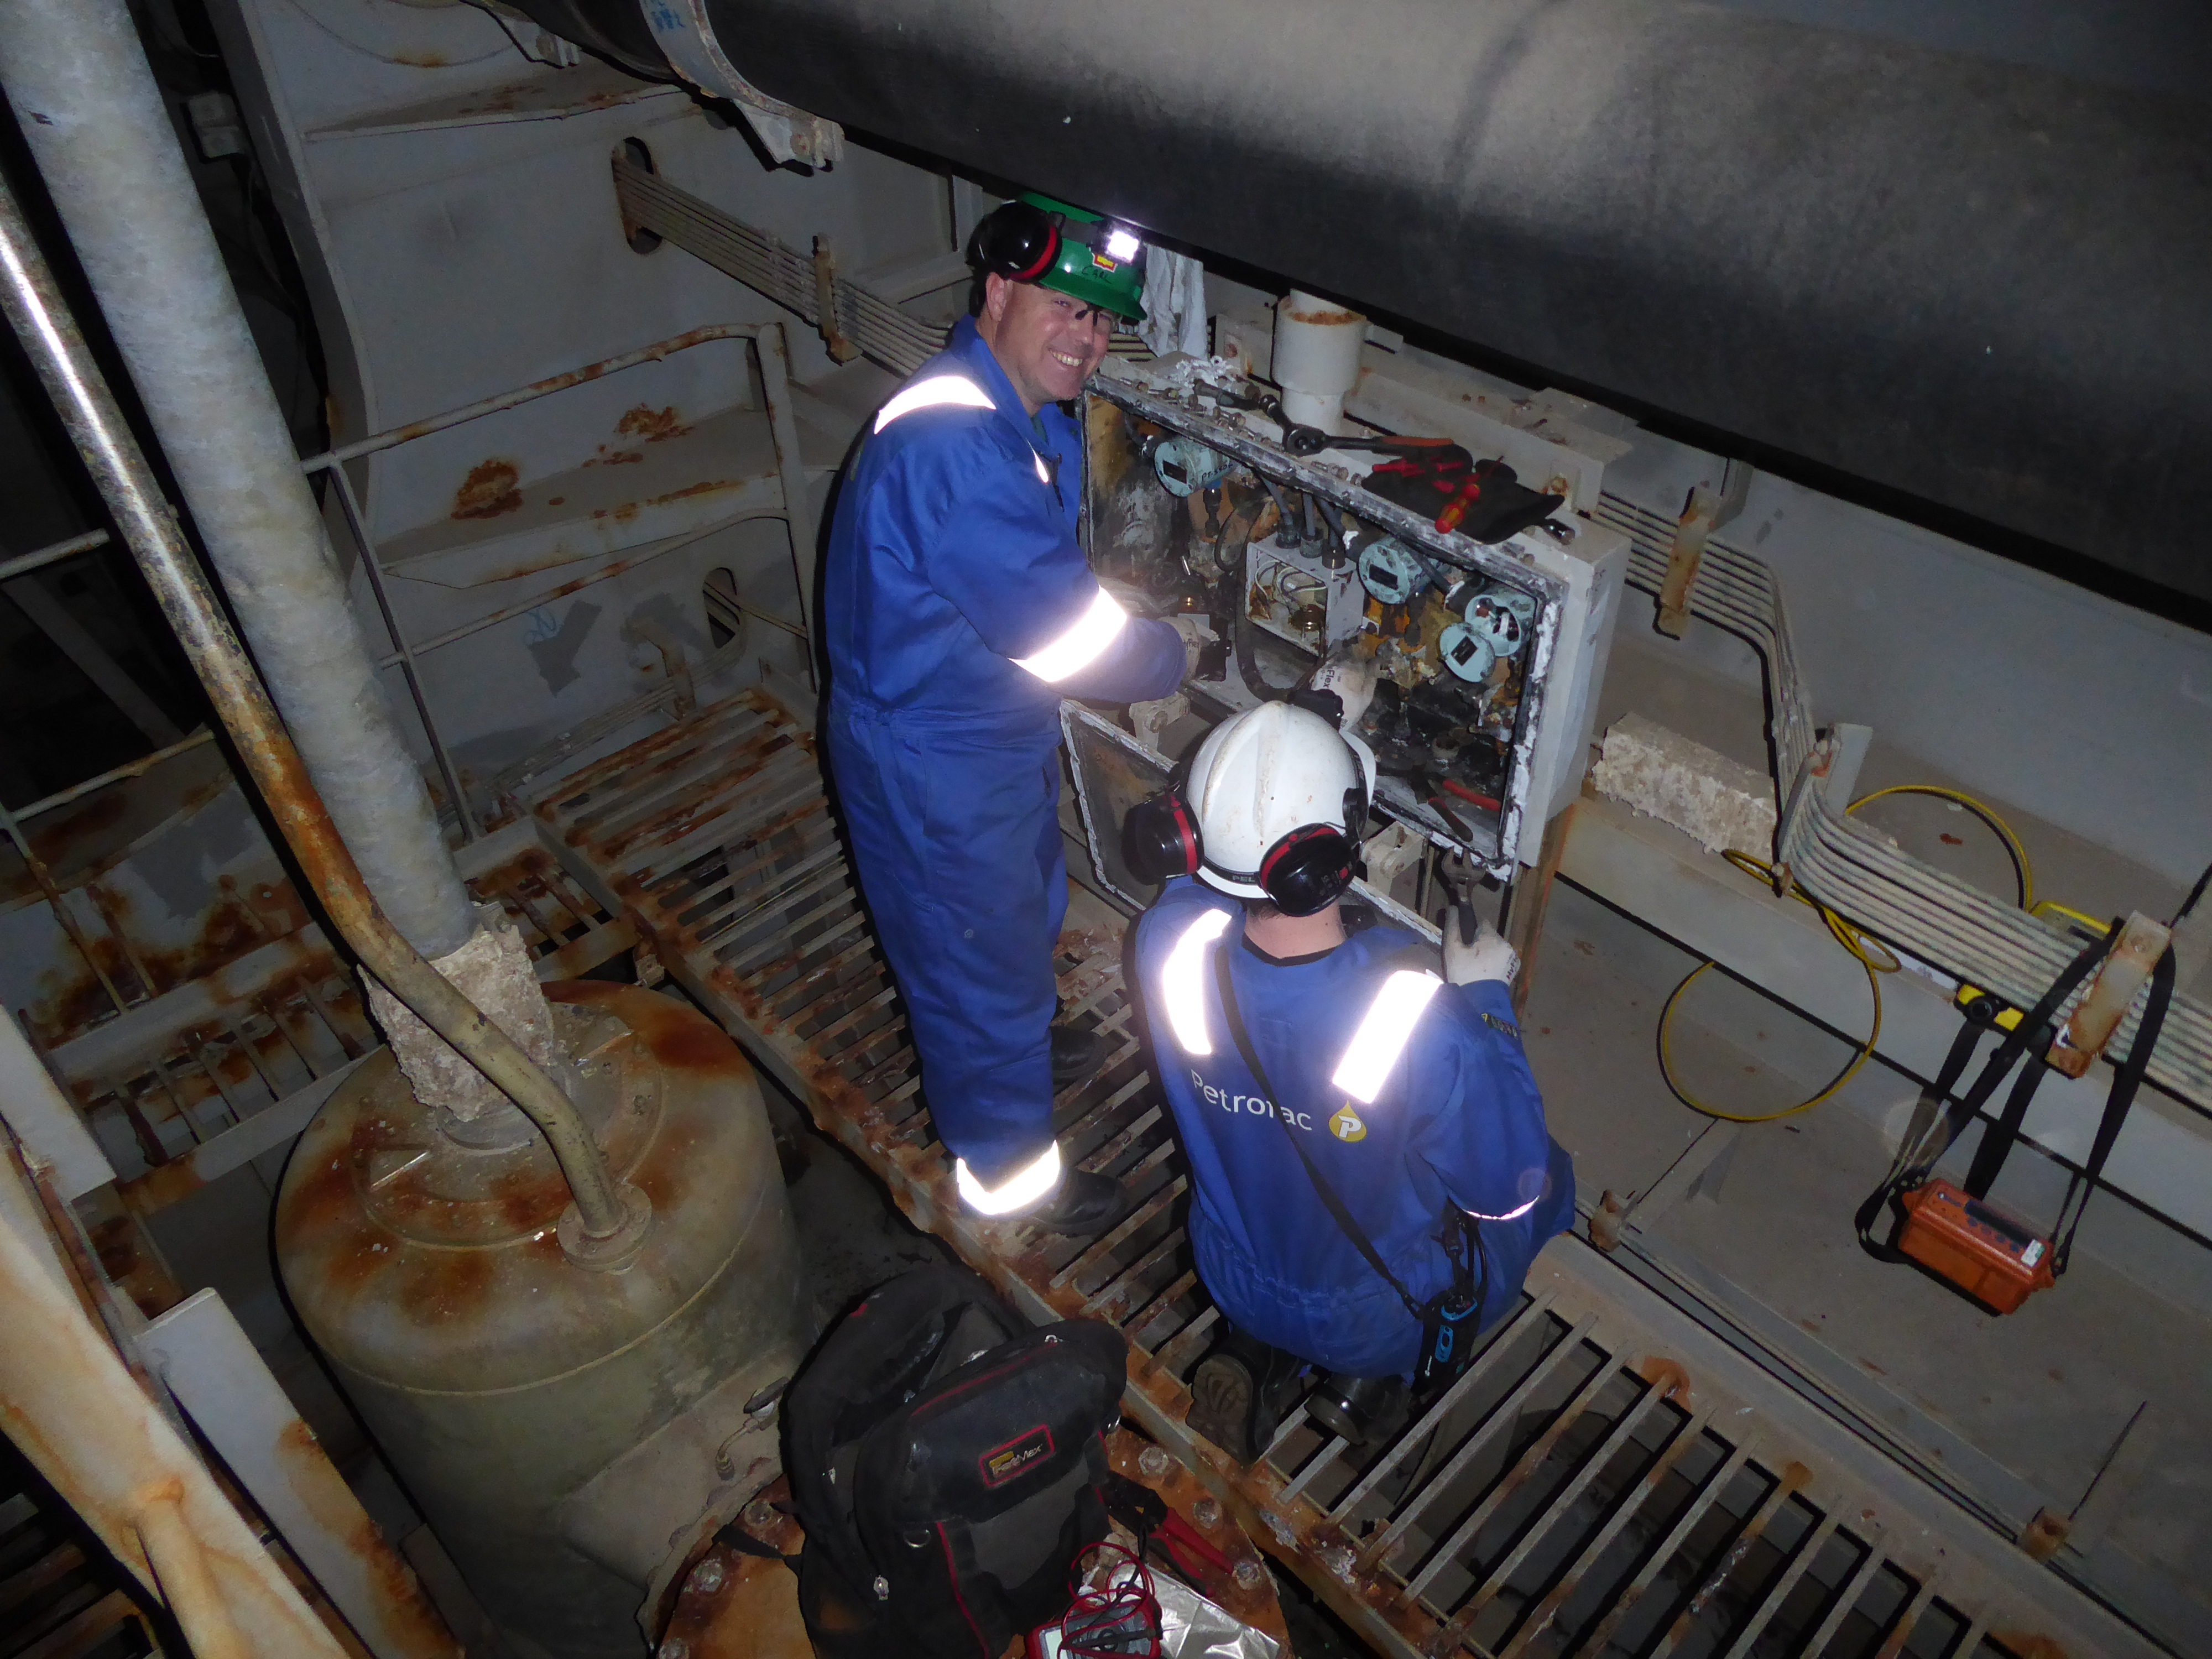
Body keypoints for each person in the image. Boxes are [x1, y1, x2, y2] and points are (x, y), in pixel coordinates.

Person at [823, 194, 1194, 1234]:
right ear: (997, 292)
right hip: (933, 761)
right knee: (971, 968)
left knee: (1023, 911)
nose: (1088, 337)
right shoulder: (954, 448)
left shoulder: (1018, 415)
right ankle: (1011, 1179)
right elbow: (1066, 639)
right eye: (1064, 307)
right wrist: (1177, 656)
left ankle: (1025, 1038)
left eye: (1101, 318)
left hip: (988, 731)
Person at [1126, 702, 1574, 1459]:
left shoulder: (1163, 943)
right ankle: (1366, 1380)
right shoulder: (1425, 1019)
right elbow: (1504, 1193)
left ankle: (1261, 1352)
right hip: (1374, 1315)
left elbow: (1207, 872)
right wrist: (1487, 1002)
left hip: (1233, 1269)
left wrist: (1291, 732)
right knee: (1546, 1182)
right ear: (1338, 853)